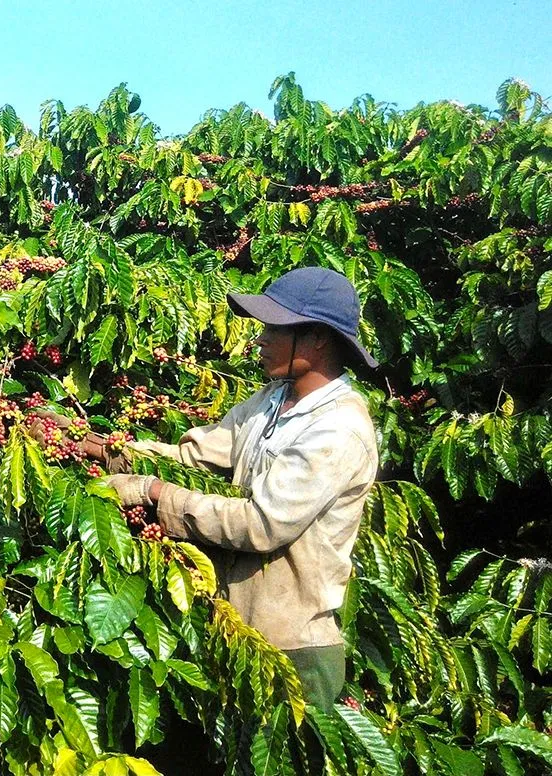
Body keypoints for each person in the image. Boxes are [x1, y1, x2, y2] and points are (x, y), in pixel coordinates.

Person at [58, 267, 379, 710]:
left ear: (317, 339)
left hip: (291, 649)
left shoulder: (338, 429)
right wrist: (96, 448)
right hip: (232, 627)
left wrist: (155, 494)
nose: (260, 340)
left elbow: (262, 524)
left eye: (274, 329)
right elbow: (196, 455)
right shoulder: (273, 400)